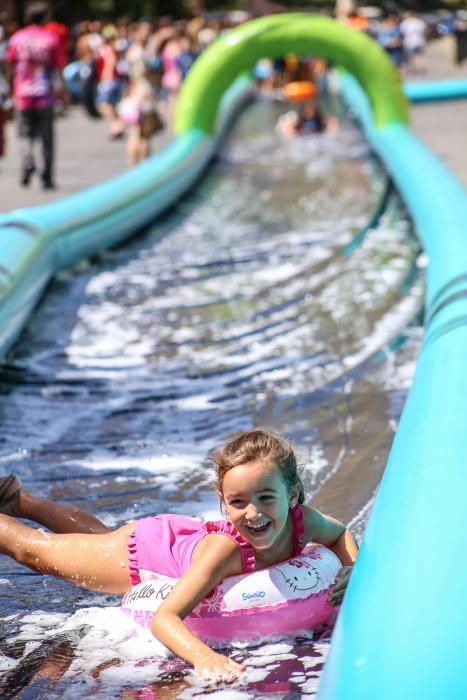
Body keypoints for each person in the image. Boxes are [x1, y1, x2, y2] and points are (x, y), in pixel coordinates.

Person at [0, 428, 358, 684]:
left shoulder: (303, 521)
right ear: (223, 501)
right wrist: (204, 657)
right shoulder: (228, 551)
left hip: (180, 539)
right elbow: (165, 617)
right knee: (35, 551)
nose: (253, 513)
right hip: (146, 553)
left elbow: (341, 534)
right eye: (238, 502)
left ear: (292, 493)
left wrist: (352, 569)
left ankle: (19, 500)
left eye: (266, 497)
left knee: (95, 539)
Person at [5, 3, 67, 189]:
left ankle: (28, 160)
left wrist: (9, 88)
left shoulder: (17, 39)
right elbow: (58, 68)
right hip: (45, 94)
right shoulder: (51, 39)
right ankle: (46, 177)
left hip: (22, 94)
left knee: (25, 134)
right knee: (46, 137)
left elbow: (9, 66)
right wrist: (63, 93)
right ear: (45, 19)